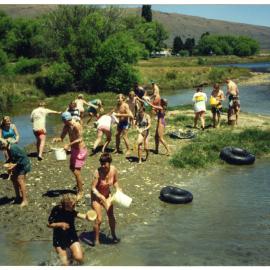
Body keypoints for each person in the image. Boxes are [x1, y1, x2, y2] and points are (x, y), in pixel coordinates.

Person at [48, 194, 91, 266]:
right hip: (59, 238)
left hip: (71, 236)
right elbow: (49, 224)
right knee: (65, 264)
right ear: (66, 203)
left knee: (79, 258)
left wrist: (88, 216)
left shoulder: (72, 211)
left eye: (75, 203)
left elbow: (82, 215)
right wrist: (60, 224)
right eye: (73, 204)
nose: (75, 205)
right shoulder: (56, 210)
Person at [53, 112, 88, 201]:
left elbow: (80, 139)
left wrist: (68, 145)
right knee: (72, 167)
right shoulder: (66, 126)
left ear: (66, 120)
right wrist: (57, 139)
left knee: (76, 171)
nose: (63, 122)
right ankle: (80, 182)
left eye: (63, 120)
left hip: (81, 150)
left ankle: (80, 191)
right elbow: (61, 137)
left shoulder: (77, 125)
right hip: (74, 150)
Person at [91, 153, 121, 245]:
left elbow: (115, 181)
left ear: (109, 162)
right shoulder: (97, 172)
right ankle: (96, 240)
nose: (103, 166)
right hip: (96, 197)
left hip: (107, 196)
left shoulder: (114, 169)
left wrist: (118, 189)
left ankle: (113, 235)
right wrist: (100, 196)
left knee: (111, 216)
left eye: (105, 163)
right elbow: (93, 188)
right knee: (99, 219)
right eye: (101, 163)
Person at [0, 138, 31, 207]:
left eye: (1, 148)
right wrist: (8, 162)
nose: (2, 150)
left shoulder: (13, 148)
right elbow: (12, 158)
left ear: (4, 145)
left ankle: (25, 200)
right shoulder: (8, 148)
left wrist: (13, 165)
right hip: (18, 164)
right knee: (13, 178)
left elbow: (22, 158)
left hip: (24, 165)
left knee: (20, 180)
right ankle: (18, 197)